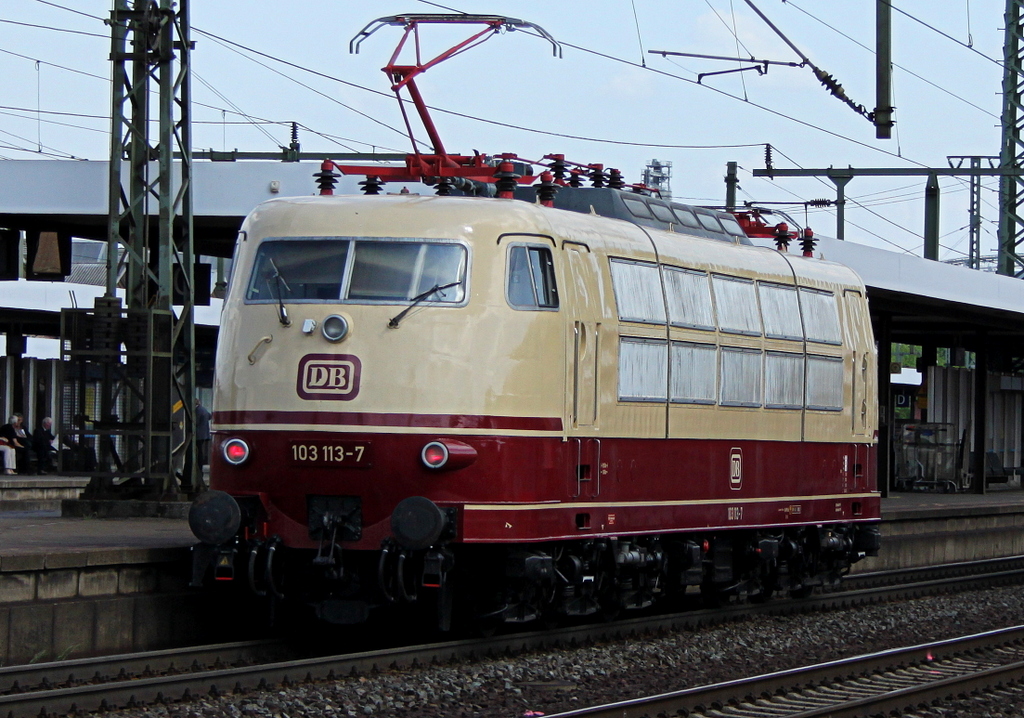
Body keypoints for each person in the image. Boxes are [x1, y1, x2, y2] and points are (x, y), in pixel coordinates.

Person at [195, 398, 212, 471]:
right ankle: (200, 466)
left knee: (198, 452)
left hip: (198, 435)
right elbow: (209, 416)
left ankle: (199, 467)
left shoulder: (198, 411)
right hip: (204, 434)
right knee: (200, 451)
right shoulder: (203, 409)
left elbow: (196, 422)